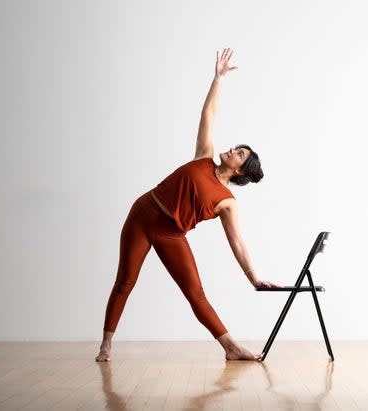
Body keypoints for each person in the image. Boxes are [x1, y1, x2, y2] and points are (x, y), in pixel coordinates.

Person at [95, 48, 280, 362]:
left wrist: (254, 277)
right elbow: (209, 114)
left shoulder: (227, 203)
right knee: (125, 280)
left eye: (240, 154)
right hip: (143, 215)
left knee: (195, 293)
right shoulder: (203, 157)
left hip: (171, 234)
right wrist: (218, 78)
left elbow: (237, 242)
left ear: (239, 170)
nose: (233, 149)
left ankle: (231, 348)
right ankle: (106, 345)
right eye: (238, 148)